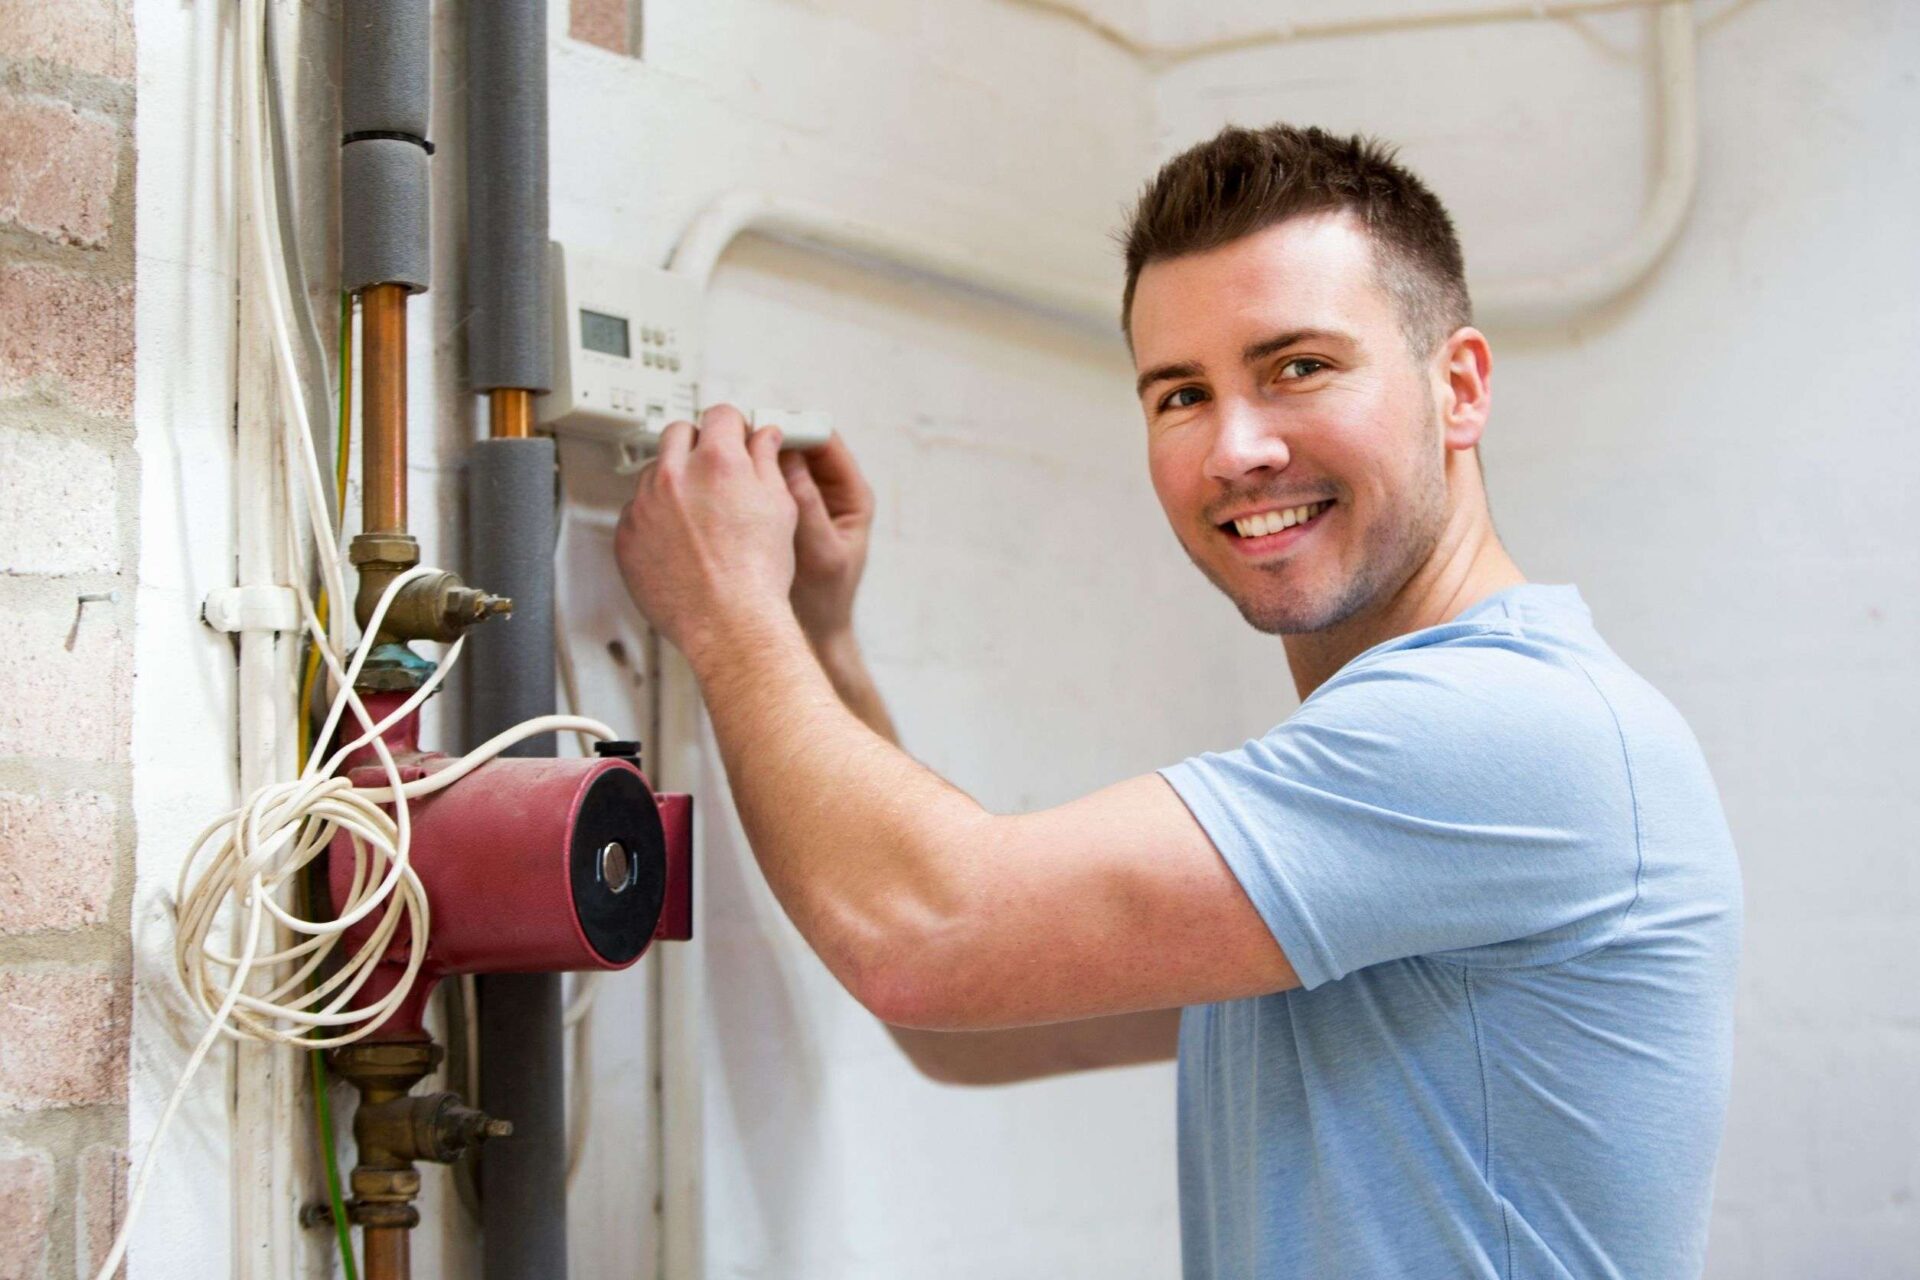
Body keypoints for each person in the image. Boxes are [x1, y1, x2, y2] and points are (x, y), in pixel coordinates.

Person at [614, 124, 1741, 1279]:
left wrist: (726, 613)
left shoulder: (1503, 729)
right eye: (1182, 394)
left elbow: (927, 937)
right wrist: (816, 636)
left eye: (1298, 366)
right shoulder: (1386, 788)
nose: (1236, 448)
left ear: (1459, 387)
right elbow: (970, 1018)